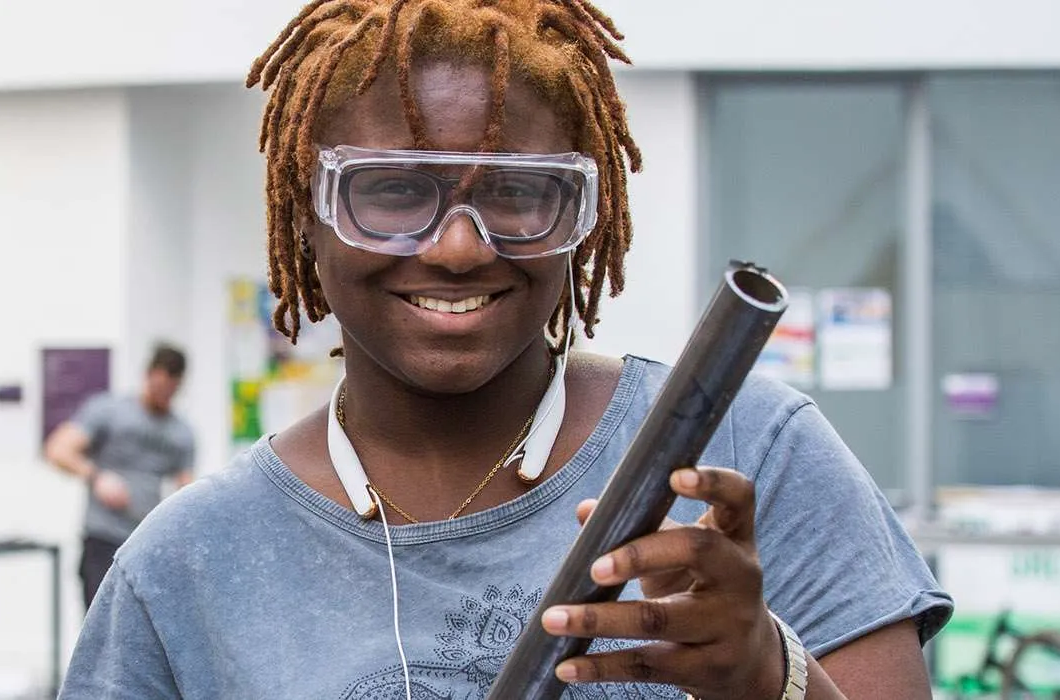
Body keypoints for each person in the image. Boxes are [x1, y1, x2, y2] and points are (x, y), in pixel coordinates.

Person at [62, 1, 952, 697]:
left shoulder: (747, 455)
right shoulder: (189, 565)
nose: (458, 246)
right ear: (309, 213)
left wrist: (766, 675)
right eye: (396, 191)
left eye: (520, 194)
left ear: (582, 217)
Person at [43, 343, 196, 608]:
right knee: (101, 627)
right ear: (148, 375)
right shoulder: (109, 411)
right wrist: (97, 477)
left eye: (170, 390)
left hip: (146, 542)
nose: (163, 395)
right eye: (159, 386)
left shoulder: (180, 433)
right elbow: (58, 449)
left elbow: (186, 486)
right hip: (103, 540)